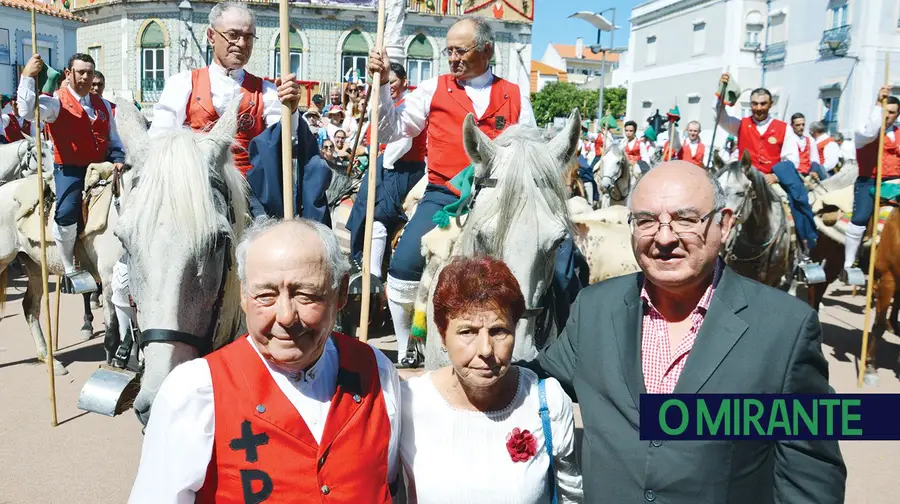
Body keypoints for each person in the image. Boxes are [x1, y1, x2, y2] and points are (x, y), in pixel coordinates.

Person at [525, 159, 847, 503]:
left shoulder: (787, 327)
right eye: (646, 221)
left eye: (686, 219)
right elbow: (534, 382)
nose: (664, 238)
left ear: (724, 225)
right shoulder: (594, 309)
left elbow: (812, 472)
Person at [128, 217, 401, 503]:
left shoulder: (376, 372)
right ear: (244, 295)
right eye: (266, 296)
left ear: (341, 292)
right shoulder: (195, 392)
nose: (285, 316)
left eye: (306, 295)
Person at [368, 15, 584, 367]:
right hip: (446, 195)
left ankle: (563, 345)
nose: (452, 57)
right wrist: (379, 88)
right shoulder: (431, 90)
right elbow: (389, 130)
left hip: (505, 198)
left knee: (560, 267)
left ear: (486, 50)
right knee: (404, 265)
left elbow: (530, 148)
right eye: (448, 50)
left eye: (459, 50)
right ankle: (410, 345)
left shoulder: (514, 95)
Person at [400, 255, 582, 502]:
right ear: (443, 337)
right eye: (467, 332)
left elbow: (571, 495)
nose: (486, 349)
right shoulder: (407, 404)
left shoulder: (546, 403)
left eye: (499, 331)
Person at [148, 1, 301, 179]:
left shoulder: (267, 92)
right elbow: (159, 141)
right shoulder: (182, 84)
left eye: (248, 37)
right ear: (212, 36)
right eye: (233, 35)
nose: (242, 43)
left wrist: (292, 109)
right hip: (194, 186)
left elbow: (284, 142)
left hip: (250, 192)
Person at [17, 52, 125, 291]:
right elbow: (25, 111)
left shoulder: (104, 105)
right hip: (71, 169)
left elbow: (114, 140)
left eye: (89, 72)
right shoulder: (55, 102)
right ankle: (69, 267)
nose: (86, 77)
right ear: (69, 73)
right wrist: (26, 76)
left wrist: (119, 157)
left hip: (102, 167)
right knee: (66, 212)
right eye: (81, 72)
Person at [346, 62, 427, 323]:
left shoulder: (410, 105)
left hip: (404, 171)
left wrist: (380, 162)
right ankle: (366, 268)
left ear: (404, 81)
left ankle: (375, 278)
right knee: (365, 210)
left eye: (392, 82)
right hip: (384, 167)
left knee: (378, 214)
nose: (389, 87)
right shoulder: (381, 105)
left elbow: (398, 146)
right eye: (385, 82)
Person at [714, 74, 818, 260]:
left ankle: (800, 253)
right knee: (726, 205)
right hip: (745, 179)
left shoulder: (783, 128)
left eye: (763, 104)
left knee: (793, 206)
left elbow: (791, 159)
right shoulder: (741, 124)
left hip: (771, 180)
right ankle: (718, 250)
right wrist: (721, 91)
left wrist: (776, 177)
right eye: (754, 104)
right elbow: (720, 117)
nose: (758, 108)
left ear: (770, 105)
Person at [842, 86, 900, 283]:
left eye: (892, 112)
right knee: (859, 218)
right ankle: (849, 264)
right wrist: (878, 103)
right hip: (869, 180)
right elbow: (871, 130)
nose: (887, 116)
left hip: (895, 182)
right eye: (885, 111)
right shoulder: (864, 132)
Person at [789, 113, 828, 180]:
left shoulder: (810, 140)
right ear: (792, 126)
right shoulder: (788, 141)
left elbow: (815, 159)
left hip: (807, 174)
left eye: (803, 125)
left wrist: (813, 170)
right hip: (793, 175)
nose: (801, 127)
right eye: (798, 125)